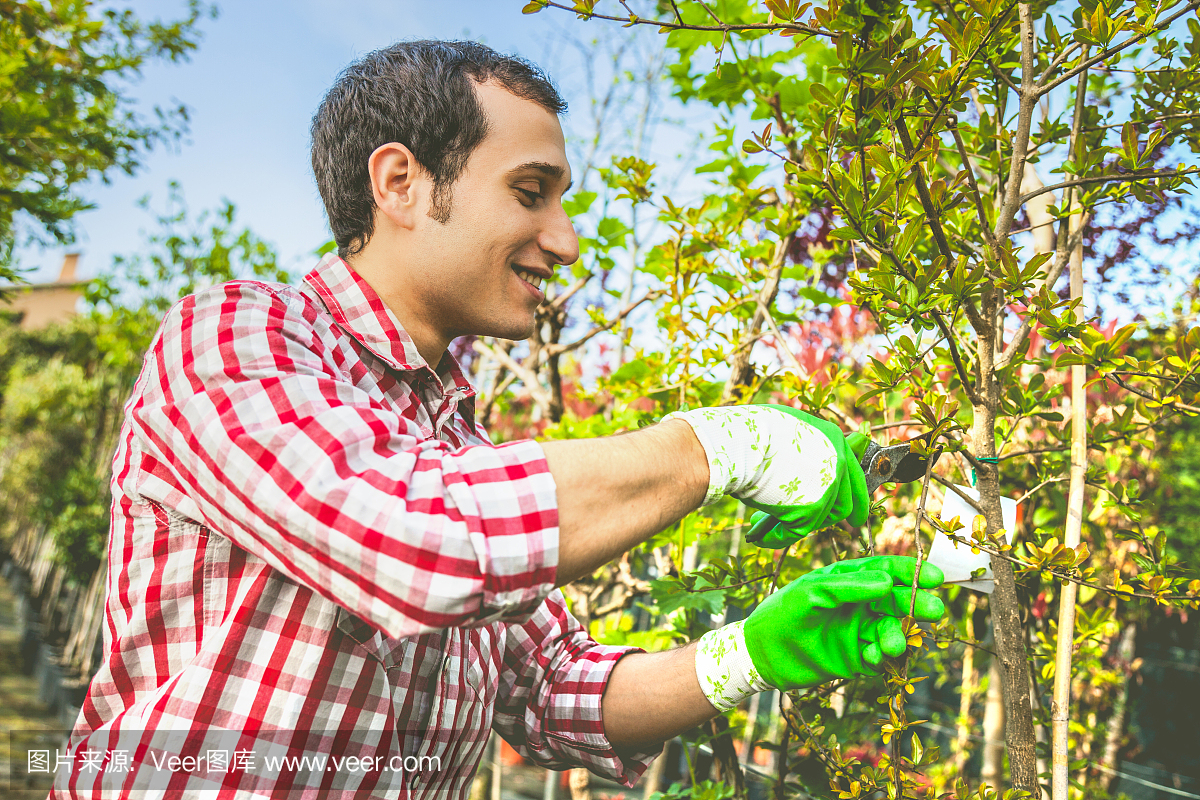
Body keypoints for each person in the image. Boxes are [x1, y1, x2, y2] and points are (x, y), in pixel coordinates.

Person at [53, 40, 945, 799]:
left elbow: (556, 689)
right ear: (401, 182)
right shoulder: (234, 339)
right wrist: (717, 446)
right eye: (530, 192)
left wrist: (750, 652)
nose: (564, 239)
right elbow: (404, 538)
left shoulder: (462, 450)